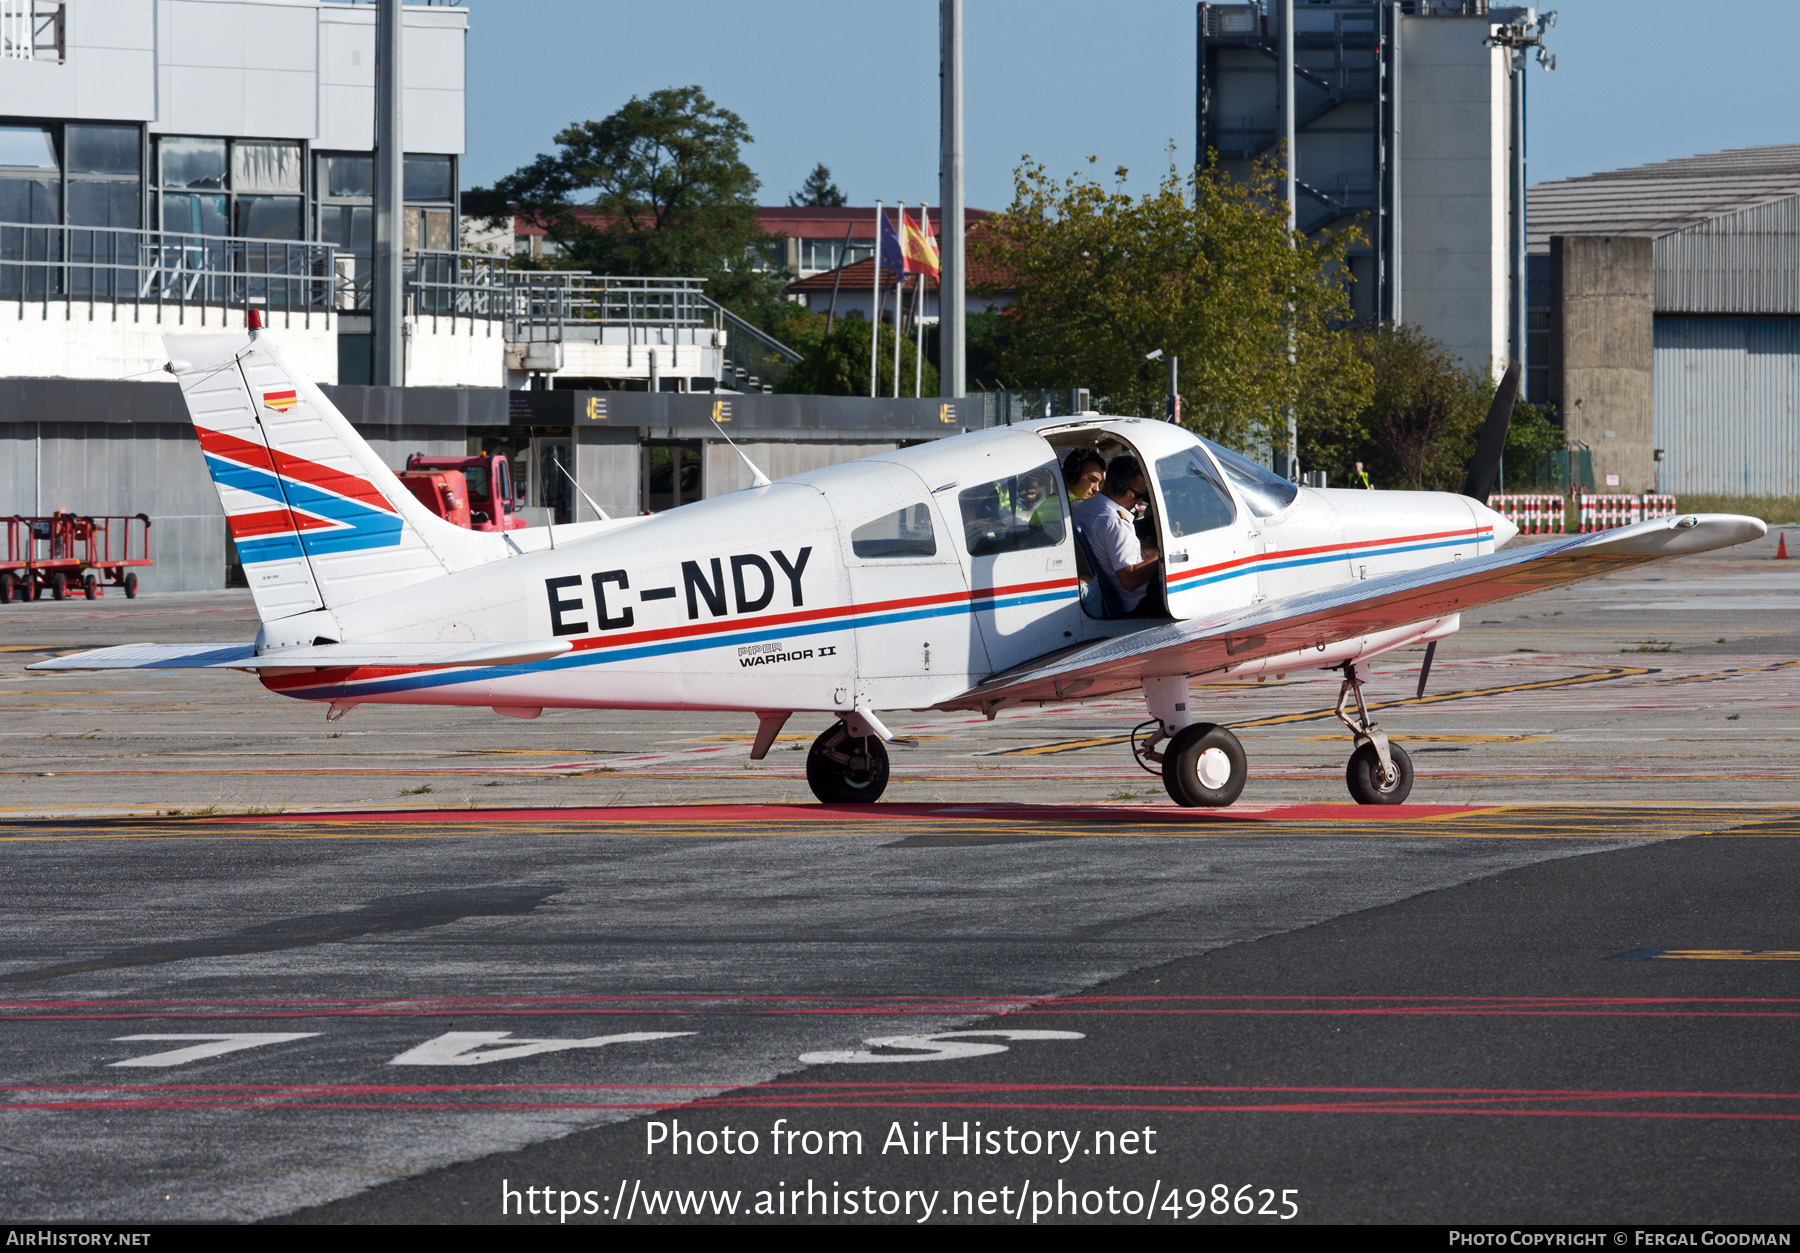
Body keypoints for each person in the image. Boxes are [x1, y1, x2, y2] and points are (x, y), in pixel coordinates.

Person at [1074, 455, 1161, 614]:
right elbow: (1129, 580)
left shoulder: (1083, 508)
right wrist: (1163, 554)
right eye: (1138, 494)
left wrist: (1152, 552)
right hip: (1137, 605)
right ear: (1118, 487)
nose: (1140, 503)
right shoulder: (1115, 522)